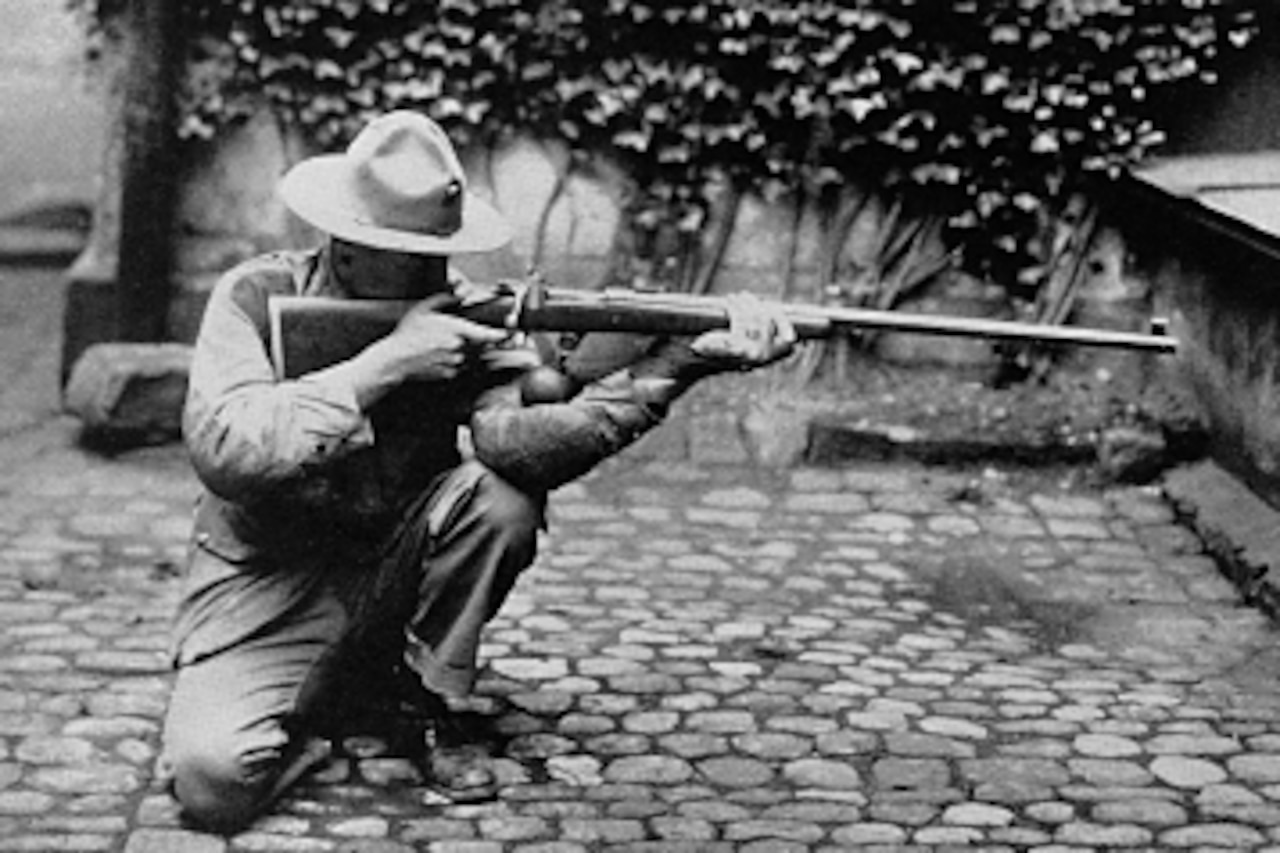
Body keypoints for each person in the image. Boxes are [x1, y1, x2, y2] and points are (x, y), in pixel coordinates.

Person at [159, 109, 796, 832]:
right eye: (408, 251)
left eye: (439, 249)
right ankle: (331, 699)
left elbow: (525, 450)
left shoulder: (468, 317)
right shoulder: (252, 297)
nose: (437, 269)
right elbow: (225, 449)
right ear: (349, 242)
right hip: (265, 581)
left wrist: (677, 365)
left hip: (391, 568)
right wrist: (385, 364)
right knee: (212, 784)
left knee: (501, 501)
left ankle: (420, 694)